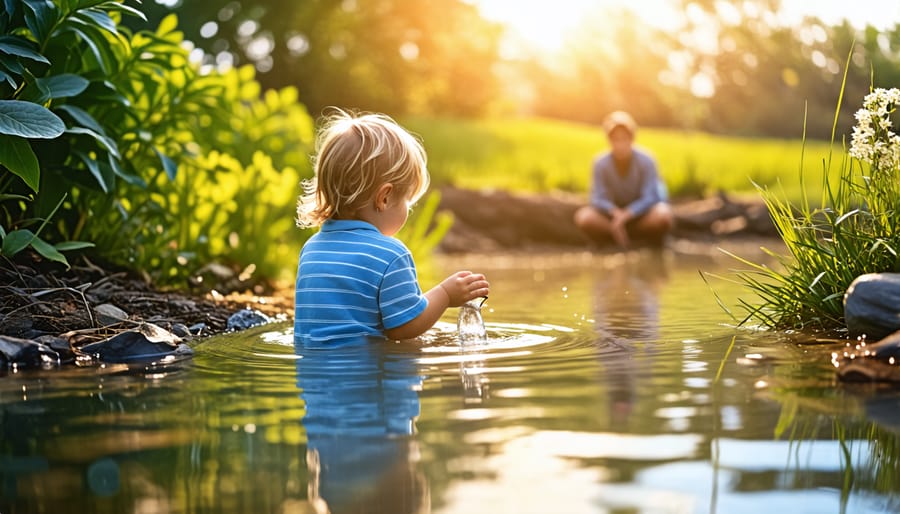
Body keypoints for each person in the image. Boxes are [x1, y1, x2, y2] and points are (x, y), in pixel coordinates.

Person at [294, 109, 490, 346]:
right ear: (384, 198)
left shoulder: (311, 249)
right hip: (366, 376)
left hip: (314, 378)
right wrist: (446, 294)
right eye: (408, 200)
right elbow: (403, 328)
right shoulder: (390, 254)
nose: (408, 209)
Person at [573, 110, 674, 248]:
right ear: (609, 140)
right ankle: (616, 233)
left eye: (624, 138)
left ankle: (633, 235)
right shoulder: (600, 162)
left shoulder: (647, 160)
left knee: (663, 215)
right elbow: (597, 197)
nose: (620, 144)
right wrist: (615, 213)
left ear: (632, 139)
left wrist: (627, 214)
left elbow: (651, 197)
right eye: (615, 139)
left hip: (642, 215)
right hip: (612, 216)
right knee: (584, 217)